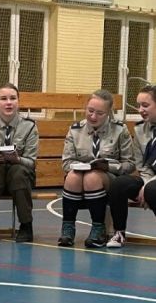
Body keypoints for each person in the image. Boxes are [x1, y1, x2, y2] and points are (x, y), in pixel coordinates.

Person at [59, 89, 134, 248]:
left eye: (100, 113)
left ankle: (98, 229)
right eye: (90, 111)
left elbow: (130, 164)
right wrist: (82, 167)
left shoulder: (120, 130)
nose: (93, 116)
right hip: (79, 178)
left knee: (92, 177)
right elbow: (66, 163)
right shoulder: (75, 130)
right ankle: (68, 229)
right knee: (72, 176)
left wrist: (108, 167)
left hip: (109, 179)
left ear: (108, 113)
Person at [0, 83, 38, 242]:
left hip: (19, 175)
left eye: (13, 98)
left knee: (19, 172)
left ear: (18, 102)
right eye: (3, 99)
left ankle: (26, 225)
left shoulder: (29, 126)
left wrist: (17, 159)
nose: (8, 102)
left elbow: (31, 163)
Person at [106, 84, 156, 248]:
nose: (140, 110)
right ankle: (119, 233)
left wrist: (148, 186)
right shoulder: (141, 129)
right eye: (139, 105)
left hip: (153, 184)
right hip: (150, 178)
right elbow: (142, 165)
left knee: (152, 189)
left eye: (145, 105)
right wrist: (146, 182)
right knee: (119, 184)